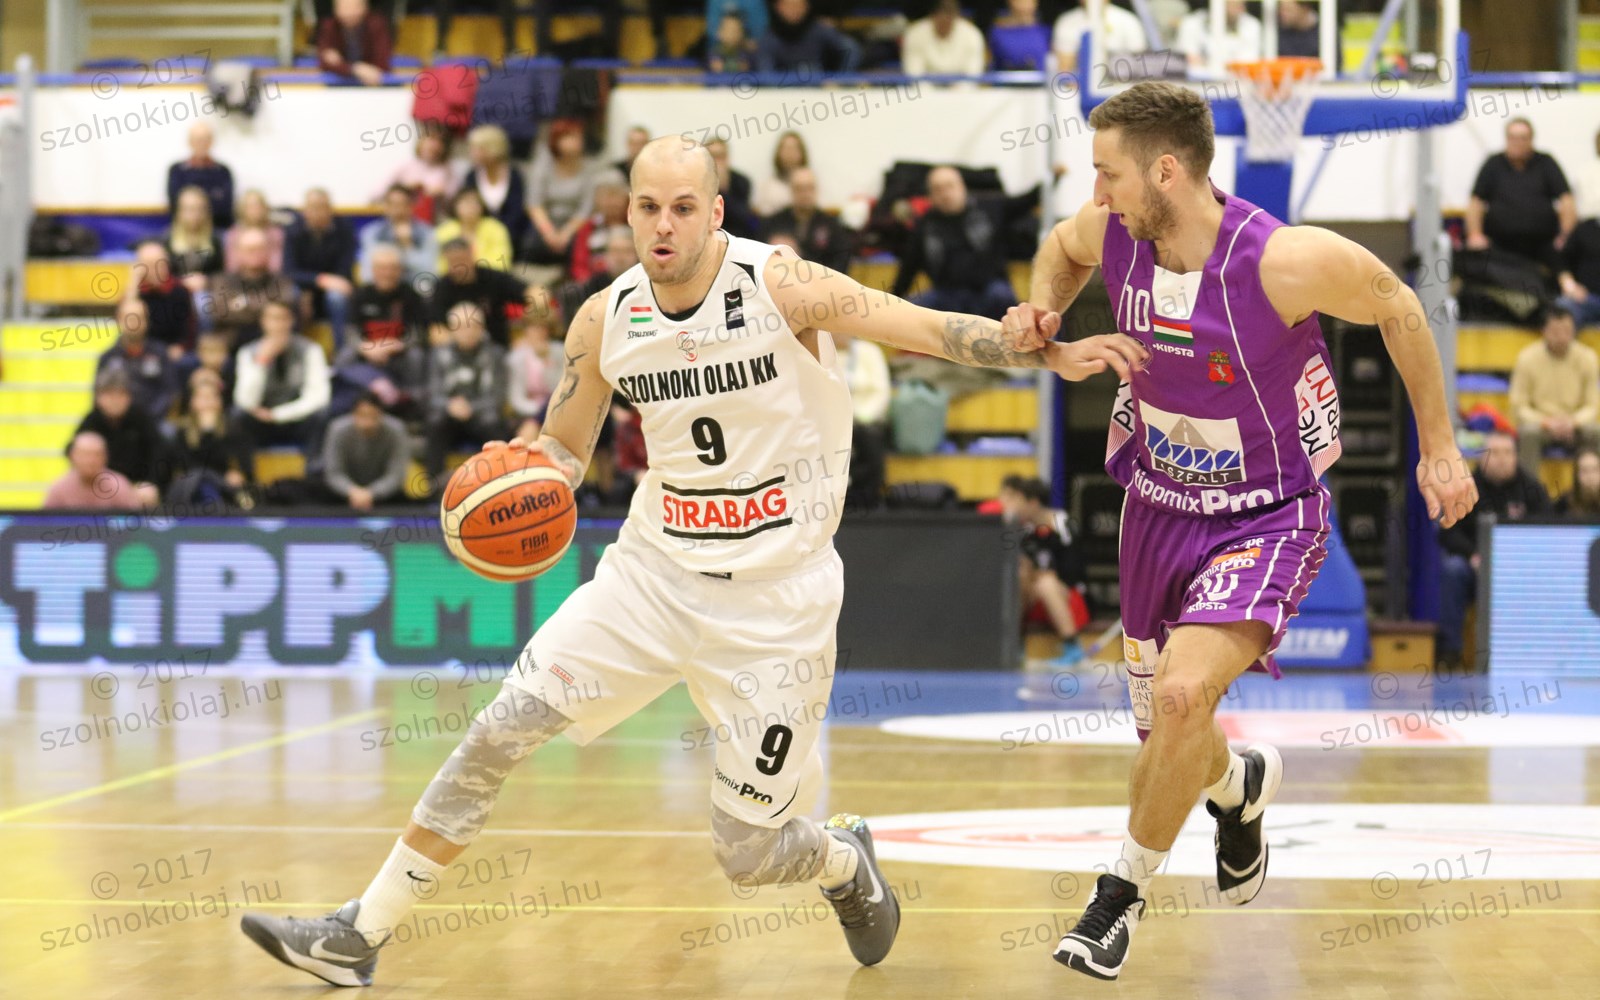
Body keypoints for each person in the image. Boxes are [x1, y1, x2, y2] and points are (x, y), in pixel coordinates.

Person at [239, 134, 1141, 987]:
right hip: (652, 576)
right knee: (498, 730)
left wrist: (1039, 351)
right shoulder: (604, 318)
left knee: (749, 853)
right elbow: (565, 448)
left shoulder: (780, 284)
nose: (663, 226)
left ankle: (840, 859)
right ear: (627, 214)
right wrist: (521, 476)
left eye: (681, 207)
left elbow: (925, 328)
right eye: (646, 208)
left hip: (776, 606)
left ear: (715, 212)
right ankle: (359, 933)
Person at [1016, 81, 1475, 980]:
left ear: (1166, 171)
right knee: (1171, 737)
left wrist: (1440, 446)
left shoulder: (1282, 260)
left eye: (1108, 174)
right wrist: (1046, 327)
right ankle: (1239, 785)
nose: (1096, 192)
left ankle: (1117, 900)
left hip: (1266, 515)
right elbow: (1057, 252)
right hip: (1155, 510)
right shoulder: (1112, 231)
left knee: (1184, 697)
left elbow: (1399, 305)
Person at [1437, 430, 1549, 662]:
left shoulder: (1532, 488)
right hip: (1476, 567)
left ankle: (1536, 651)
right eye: (1494, 453)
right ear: (1482, 457)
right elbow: (1448, 532)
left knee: (1547, 574)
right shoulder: (1465, 488)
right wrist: (1472, 555)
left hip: (1519, 570)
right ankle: (1450, 651)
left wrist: (1522, 561)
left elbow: (1546, 531)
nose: (1502, 459)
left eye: (1507, 453)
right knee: (1453, 570)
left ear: (1516, 456)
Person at [891, 166, 1015, 319]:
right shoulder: (925, 227)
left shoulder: (988, 209)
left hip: (987, 289)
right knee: (915, 309)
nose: (945, 194)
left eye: (950, 186)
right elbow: (907, 269)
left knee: (1002, 296)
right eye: (938, 189)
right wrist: (892, 304)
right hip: (946, 294)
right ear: (930, 195)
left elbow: (1028, 200)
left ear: (962, 187)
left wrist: (1049, 176)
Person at [998, 475, 1091, 664]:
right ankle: (1015, 646)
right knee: (1021, 575)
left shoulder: (1062, 525)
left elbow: (1074, 571)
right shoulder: (1021, 529)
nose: (1014, 506)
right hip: (1034, 602)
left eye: (1017, 500)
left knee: (1046, 583)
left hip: (1068, 598)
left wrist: (1046, 575)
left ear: (1032, 503)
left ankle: (1072, 646)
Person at [1466, 118, 1576, 275]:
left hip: (1542, 243)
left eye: (1523, 138)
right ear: (1506, 139)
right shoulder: (1493, 163)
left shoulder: (1546, 162)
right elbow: (1476, 201)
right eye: (1513, 138)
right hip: (1499, 243)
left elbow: (1566, 199)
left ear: (1531, 140)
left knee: (1565, 264)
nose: (1517, 143)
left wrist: (1565, 236)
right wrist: (1475, 234)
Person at [422, 302, 508, 486]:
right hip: (449, 413)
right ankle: (433, 486)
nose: (467, 332)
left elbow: (498, 397)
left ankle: (499, 483)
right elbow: (432, 394)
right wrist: (450, 405)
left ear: (482, 328)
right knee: (434, 422)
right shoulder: (438, 354)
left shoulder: (495, 354)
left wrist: (470, 407)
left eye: (472, 326)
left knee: (493, 422)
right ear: (451, 330)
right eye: (460, 327)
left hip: (481, 414)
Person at [232, 301, 332, 453]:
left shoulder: (310, 350)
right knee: (238, 415)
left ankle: (313, 466)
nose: (278, 325)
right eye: (273, 318)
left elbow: (318, 397)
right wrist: (261, 362)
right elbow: (245, 401)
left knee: (321, 415)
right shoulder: (247, 352)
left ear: (291, 321)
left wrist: (277, 415)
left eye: (283, 318)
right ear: (263, 322)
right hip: (261, 420)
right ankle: (247, 467)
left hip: (296, 418)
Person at [1509, 305, 1600, 472]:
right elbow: (1518, 406)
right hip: (1541, 425)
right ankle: (1530, 487)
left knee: (1594, 432)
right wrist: (1546, 422)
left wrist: (1573, 422)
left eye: (1567, 331)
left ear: (1574, 331)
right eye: (1556, 332)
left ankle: (1591, 486)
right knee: (1528, 433)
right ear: (1544, 331)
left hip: (1574, 424)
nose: (1562, 337)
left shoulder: (1588, 358)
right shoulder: (1527, 358)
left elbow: (1592, 406)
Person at [70, 369, 169, 506]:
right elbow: (72, 452)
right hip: (100, 486)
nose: (115, 401)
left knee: (148, 494)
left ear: (129, 397)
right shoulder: (91, 421)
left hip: (137, 485)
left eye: (121, 394)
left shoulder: (140, 418)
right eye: (109, 395)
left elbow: (159, 453)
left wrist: (151, 482)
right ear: (98, 397)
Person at [166, 369, 255, 509]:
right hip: (191, 488)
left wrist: (211, 433)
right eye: (202, 397)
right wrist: (207, 433)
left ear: (220, 402)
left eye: (212, 397)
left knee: (213, 485)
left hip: (225, 486)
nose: (208, 402)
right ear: (192, 402)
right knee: (202, 482)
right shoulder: (181, 431)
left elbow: (244, 466)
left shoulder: (234, 429)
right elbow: (187, 467)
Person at [285, 187, 357, 350]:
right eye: (312, 208)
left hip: (335, 286)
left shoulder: (344, 229)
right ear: (305, 211)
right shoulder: (293, 231)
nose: (317, 213)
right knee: (293, 295)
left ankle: (342, 352)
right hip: (305, 286)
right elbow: (289, 271)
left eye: (322, 207)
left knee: (337, 298)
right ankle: (292, 350)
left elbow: (345, 268)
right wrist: (318, 281)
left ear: (330, 209)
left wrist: (326, 281)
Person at [428, 239, 529, 348]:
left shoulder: (492, 278)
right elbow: (436, 331)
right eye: (453, 262)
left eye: (461, 260)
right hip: (458, 351)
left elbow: (531, 293)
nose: (458, 267)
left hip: (498, 347)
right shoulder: (441, 288)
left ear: (472, 255)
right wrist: (464, 338)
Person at [830, 329, 890, 510]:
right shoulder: (819, 350)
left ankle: (867, 500)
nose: (839, 333)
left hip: (864, 420)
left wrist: (861, 417)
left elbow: (881, 391)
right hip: (829, 420)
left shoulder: (869, 352)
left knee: (869, 442)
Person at [524, 119, 598, 266]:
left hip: (574, 225)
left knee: (578, 246)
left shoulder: (588, 170)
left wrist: (566, 234)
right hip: (546, 223)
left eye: (578, 137)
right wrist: (549, 233)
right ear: (556, 141)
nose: (576, 142)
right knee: (530, 245)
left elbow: (586, 208)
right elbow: (534, 204)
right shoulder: (543, 168)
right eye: (569, 137)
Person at [321, 392, 412, 509]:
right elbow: (334, 472)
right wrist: (352, 492)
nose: (367, 423)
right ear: (353, 414)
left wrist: (371, 493)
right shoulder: (337, 430)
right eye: (362, 415)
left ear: (381, 414)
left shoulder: (396, 430)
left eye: (373, 416)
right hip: (343, 495)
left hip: (385, 497)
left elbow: (396, 474)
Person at [212, 228, 301, 347]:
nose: (255, 253)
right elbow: (221, 312)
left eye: (260, 249)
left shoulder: (281, 281)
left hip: (274, 345)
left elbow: (283, 309)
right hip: (231, 346)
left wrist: (243, 303)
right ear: (238, 252)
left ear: (269, 251)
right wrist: (267, 307)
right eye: (250, 249)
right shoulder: (222, 281)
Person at [97, 299, 178, 422]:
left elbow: (170, 391)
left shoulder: (160, 354)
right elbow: (99, 394)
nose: (133, 322)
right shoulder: (108, 357)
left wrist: (148, 418)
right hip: (116, 422)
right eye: (128, 318)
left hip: (154, 421)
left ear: (147, 321)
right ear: (118, 320)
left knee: (168, 431)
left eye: (138, 317)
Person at [761, 167, 852, 273]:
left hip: (820, 279)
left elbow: (842, 261)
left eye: (809, 188)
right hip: (782, 279)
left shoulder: (831, 225)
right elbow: (760, 259)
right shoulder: (774, 224)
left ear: (816, 190)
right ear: (791, 190)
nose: (805, 194)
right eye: (799, 188)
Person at [460, 126, 530, 252]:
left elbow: (518, 210)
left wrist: (500, 233)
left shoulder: (514, 175)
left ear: (492, 149)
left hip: (512, 234)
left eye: (477, 149)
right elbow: (469, 206)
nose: (472, 153)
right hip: (480, 234)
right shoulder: (471, 176)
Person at [164, 185, 226, 323]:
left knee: (202, 303)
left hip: (208, 292)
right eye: (190, 209)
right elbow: (163, 275)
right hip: (175, 292)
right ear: (179, 212)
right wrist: (181, 282)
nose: (195, 215)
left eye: (200, 209)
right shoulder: (167, 241)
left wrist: (207, 280)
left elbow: (223, 272)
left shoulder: (215, 240)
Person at [359, 184, 439, 286]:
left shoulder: (427, 233)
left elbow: (429, 271)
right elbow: (367, 272)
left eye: (402, 204)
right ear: (385, 206)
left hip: (414, 286)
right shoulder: (372, 232)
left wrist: (407, 245)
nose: (398, 210)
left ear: (411, 206)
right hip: (382, 288)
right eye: (392, 204)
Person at [130, 240, 198, 360]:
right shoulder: (137, 293)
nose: (156, 270)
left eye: (160, 264)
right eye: (149, 266)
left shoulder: (179, 291)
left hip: (172, 350)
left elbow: (189, 329)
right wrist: (133, 283)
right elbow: (126, 321)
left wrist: (181, 347)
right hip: (143, 351)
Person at [43, 432, 147, 511]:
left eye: (96, 455)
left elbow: (134, 522)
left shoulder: (119, 486)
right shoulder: (59, 489)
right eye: (84, 455)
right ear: (72, 456)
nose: (90, 461)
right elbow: (47, 524)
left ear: (105, 457)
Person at [351, 244, 429, 347]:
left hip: (403, 348)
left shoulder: (411, 295)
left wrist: (396, 345)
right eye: (382, 268)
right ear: (373, 270)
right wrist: (367, 347)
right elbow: (351, 332)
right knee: (345, 355)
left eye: (393, 268)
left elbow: (419, 332)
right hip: (367, 349)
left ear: (400, 270)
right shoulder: (360, 295)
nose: (387, 274)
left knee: (416, 354)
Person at [371, 127, 455, 223]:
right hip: (402, 222)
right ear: (421, 141)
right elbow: (375, 195)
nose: (435, 145)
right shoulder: (405, 167)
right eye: (431, 139)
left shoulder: (448, 172)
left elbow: (457, 205)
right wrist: (404, 189)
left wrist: (443, 194)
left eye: (440, 141)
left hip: (435, 223)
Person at [756, 0, 860, 76]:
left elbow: (851, 50)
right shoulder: (770, 38)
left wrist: (839, 78)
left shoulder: (819, 30)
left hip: (821, 89)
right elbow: (766, 74)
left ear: (807, 6)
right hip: (786, 92)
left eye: (799, 6)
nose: (794, 10)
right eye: (789, 6)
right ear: (778, 7)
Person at [167, 123, 234, 230]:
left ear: (211, 142)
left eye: (205, 140)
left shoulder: (223, 171)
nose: (202, 144)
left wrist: (192, 205)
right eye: (198, 140)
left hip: (216, 229)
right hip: (184, 230)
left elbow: (224, 208)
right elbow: (175, 206)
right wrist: (211, 197)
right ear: (190, 142)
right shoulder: (177, 171)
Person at [568, 170, 630, 284]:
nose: (611, 202)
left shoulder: (635, 224)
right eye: (606, 196)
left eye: (616, 195)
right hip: (595, 286)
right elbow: (579, 266)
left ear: (626, 197)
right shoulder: (588, 228)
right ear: (596, 199)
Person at [434, 187, 515, 275]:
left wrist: (469, 267)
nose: (470, 206)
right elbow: (438, 265)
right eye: (466, 202)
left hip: (489, 278)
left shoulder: (496, 228)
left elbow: (502, 263)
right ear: (455, 205)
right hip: (452, 279)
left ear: (482, 206)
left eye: (475, 202)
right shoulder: (444, 231)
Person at [1052, 0, 1147, 72]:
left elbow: (1139, 65)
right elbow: (1065, 69)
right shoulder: (1067, 22)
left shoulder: (1128, 20)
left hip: (1122, 87)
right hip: (1079, 88)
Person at [901, 0, 987, 78]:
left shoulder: (972, 35)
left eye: (949, 13)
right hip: (924, 89)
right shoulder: (915, 34)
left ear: (957, 15)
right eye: (941, 12)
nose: (945, 18)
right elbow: (914, 74)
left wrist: (960, 90)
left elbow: (972, 75)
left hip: (964, 89)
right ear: (932, 15)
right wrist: (928, 90)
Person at [317, 0, 392, 84]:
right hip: (336, 85)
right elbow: (324, 63)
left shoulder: (377, 25)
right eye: (344, 8)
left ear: (365, 8)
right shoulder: (329, 26)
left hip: (374, 85)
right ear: (335, 9)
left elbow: (382, 64)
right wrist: (355, 69)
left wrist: (340, 64)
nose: (348, 13)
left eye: (354, 7)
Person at [506, 314, 562, 427]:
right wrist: (539, 413)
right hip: (527, 413)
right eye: (534, 327)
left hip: (558, 410)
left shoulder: (560, 351)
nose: (539, 332)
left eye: (543, 327)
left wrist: (546, 363)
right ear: (526, 329)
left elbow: (560, 390)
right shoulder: (516, 357)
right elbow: (516, 398)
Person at [1176, 0, 1263, 69]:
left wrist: (1208, 63)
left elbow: (1247, 63)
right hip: (1198, 83)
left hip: (1238, 83)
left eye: (1240, 4)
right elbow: (1188, 60)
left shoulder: (1252, 25)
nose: (1238, 6)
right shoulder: (1192, 23)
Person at [704, 137, 758, 237]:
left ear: (727, 158)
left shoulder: (742, 181)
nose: (716, 161)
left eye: (720, 156)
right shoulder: (698, 180)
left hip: (736, 234)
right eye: (713, 156)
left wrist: (722, 188)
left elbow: (743, 216)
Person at [224, 189, 286, 274]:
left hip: (268, 278)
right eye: (250, 206)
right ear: (242, 209)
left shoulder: (275, 234)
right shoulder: (234, 234)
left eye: (258, 206)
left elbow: (276, 266)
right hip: (240, 278)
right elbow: (232, 266)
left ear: (265, 208)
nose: (255, 210)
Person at [1555, 213, 1600, 328]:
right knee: (1562, 310)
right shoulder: (1587, 228)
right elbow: (1561, 261)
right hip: (1586, 299)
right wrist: (1569, 286)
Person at [752, 131, 808, 219]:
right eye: (786, 148)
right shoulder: (768, 187)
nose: (790, 153)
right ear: (778, 153)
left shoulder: (811, 186)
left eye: (794, 148)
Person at [988, 0, 1051, 71]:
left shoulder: (1044, 32)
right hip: (1006, 76)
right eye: (1019, 1)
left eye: (1027, 1)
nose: (1024, 6)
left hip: (1039, 76)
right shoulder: (998, 33)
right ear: (1010, 2)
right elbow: (990, 62)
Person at [1557, 446, 1600, 517]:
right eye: (1584, 471)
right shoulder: (1564, 504)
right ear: (1576, 475)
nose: (1590, 476)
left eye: (1595, 470)